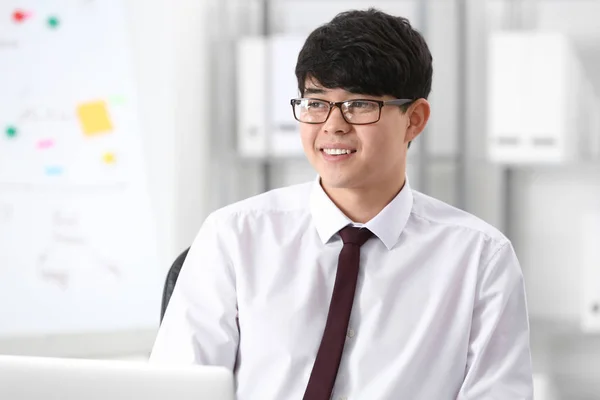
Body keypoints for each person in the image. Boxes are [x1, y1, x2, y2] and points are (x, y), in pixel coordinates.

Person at [150, 8, 533, 400]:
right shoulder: (233, 237)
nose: (333, 125)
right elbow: (177, 390)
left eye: (359, 105)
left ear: (414, 119)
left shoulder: (480, 259)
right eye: (316, 103)